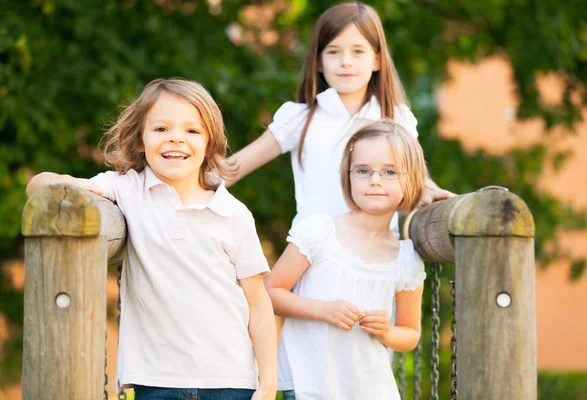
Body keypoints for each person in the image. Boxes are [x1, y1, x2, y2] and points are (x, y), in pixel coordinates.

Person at [26, 78, 277, 400]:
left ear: (210, 143)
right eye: (161, 129)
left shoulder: (233, 213)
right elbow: (37, 184)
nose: (176, 139)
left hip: (229, 379)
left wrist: (267, 382)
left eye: (192, 131)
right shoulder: (129, 188)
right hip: (155, 379)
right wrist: (67, 184)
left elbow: (258, 302)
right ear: (141, 140)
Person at [227, 1, 453, 236]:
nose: (346, 61)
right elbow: (234, 168)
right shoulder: (299, 118)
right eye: (334, 51)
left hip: (379, 254)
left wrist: (434, 192)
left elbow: (418, 180)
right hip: (314, 257)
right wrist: (191, 181)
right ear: (319, 63)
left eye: (358, 51)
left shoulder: (395, 117)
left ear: (376, 59)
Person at [265, 119, 427, 400]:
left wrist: (387, 332)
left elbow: (410, 334)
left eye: (390, 172)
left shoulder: (406, 259)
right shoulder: (318, 231)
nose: (375, 180)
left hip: (370, 390)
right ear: (348, 175)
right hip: (308, 385)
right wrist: (323, 310)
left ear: (410, 178)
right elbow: (270, 293)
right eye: (363, 170)